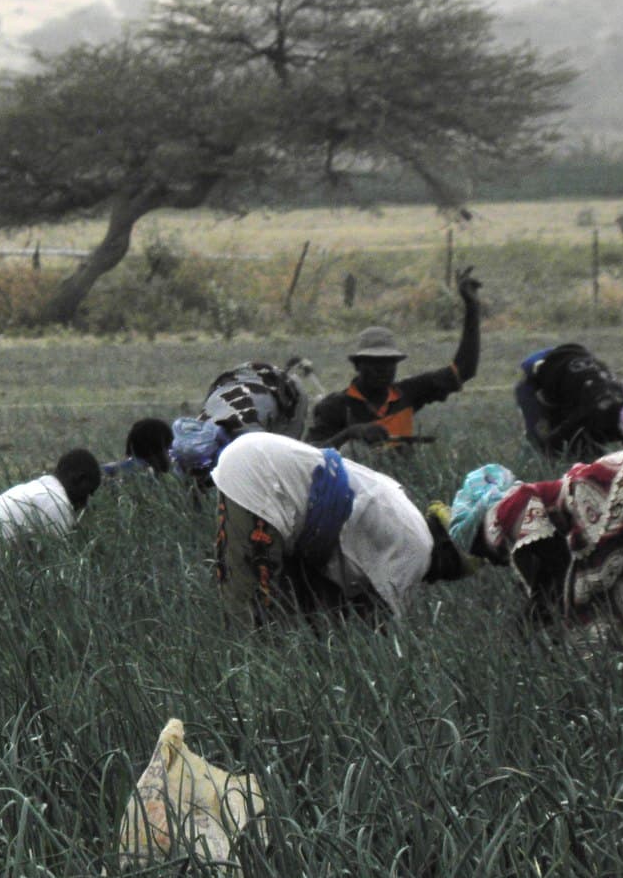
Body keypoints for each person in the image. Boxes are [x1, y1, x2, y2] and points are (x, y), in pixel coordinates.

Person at [210, 431, 469, 624]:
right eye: (452, 570)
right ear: (445, 545)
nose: (436, 580)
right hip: (262, 477)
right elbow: (380, 621)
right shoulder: (419, 550)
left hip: (259, 461)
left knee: (287, 612)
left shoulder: (405, 510)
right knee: (250, 614)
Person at [449, 446, 623, 635]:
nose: (492, 561)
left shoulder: (505, 511)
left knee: (596, 610)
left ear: (482, 533)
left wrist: (517, 637)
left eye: (483, 552)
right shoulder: (537, 497)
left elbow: (553, 579)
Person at [306, 267, 483, 449]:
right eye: (374, 363)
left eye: (389, 363)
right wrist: (352, 433)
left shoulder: (408, 394)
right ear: (357, 365)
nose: (382, 370)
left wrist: (472, 308)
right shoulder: (334, 406)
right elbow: (310, 455)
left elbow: (464, 370)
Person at [515, 343, 623, 459]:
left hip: (583, 403)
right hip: (601, 405)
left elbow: (538, 431)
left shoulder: (620, 401)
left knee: (565, 447)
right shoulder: (605, 389)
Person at [170, 358, 314, 477]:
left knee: (282, 462)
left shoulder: (251, 437)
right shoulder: (196, 433)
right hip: (235, 382)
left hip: (286, 392)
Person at [0, 448, 103, 557]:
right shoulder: (57, 502)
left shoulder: (35, 490)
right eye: (89, 492)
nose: (85, 503)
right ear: (79, 479)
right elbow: (60, 565)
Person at [103, 417, 174, 481]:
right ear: (161, 450)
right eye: (168, 451)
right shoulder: (147, 477)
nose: (170, 458)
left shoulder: (107, 469)